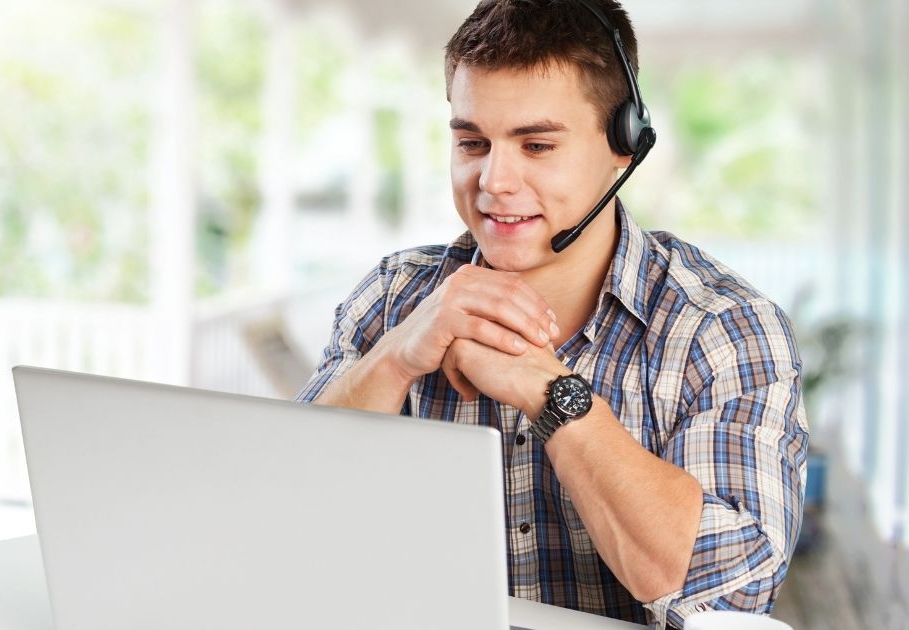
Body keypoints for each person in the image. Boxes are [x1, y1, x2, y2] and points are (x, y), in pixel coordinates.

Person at [296, 1, 809, 628]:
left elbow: (733, 591)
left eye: (536, 145)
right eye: (472, 142)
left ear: (626, 147)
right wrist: (397, 357)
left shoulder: (723, 330)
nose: (494, 181)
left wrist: (551, 391)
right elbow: (285, 510)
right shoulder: (393, 298)